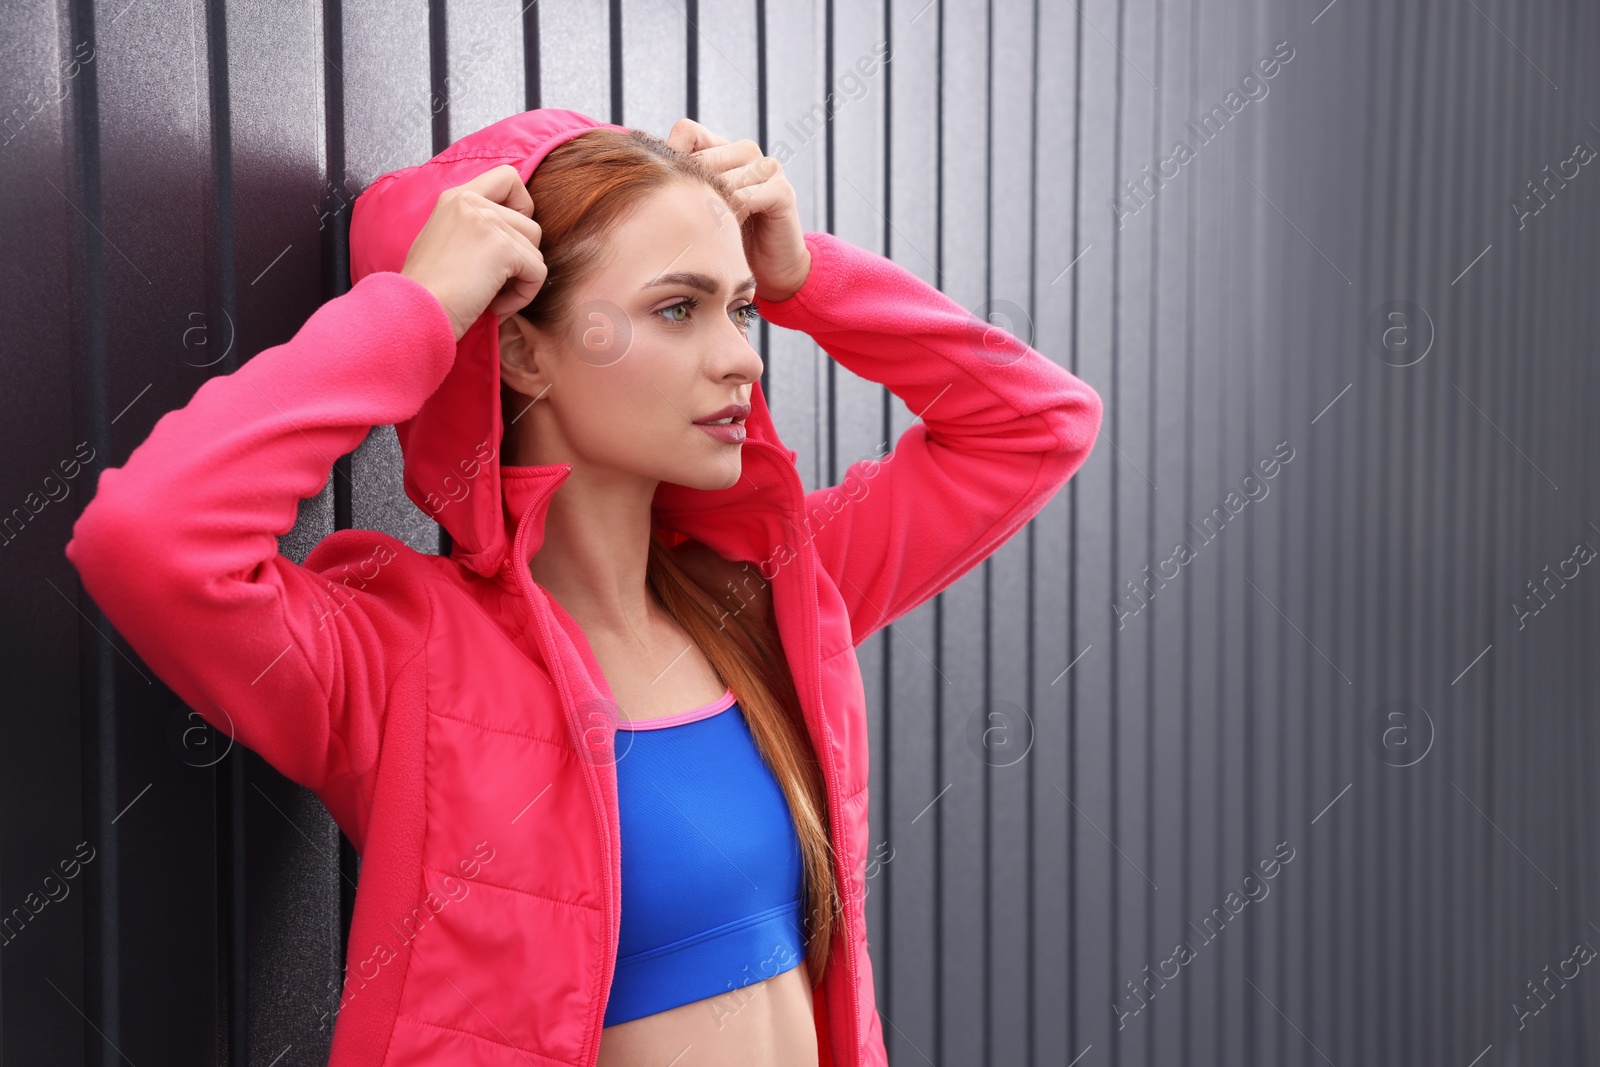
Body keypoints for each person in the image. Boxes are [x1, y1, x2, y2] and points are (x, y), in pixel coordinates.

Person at [64, 107, 1103, 1067]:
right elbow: (148, 537)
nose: (742, 357)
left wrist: (807, 275)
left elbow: (1034, 422)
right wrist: (418, 312)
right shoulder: (401, 660)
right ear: (521, 350)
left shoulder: (775, 593)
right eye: (680, 307)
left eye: (741, 308)